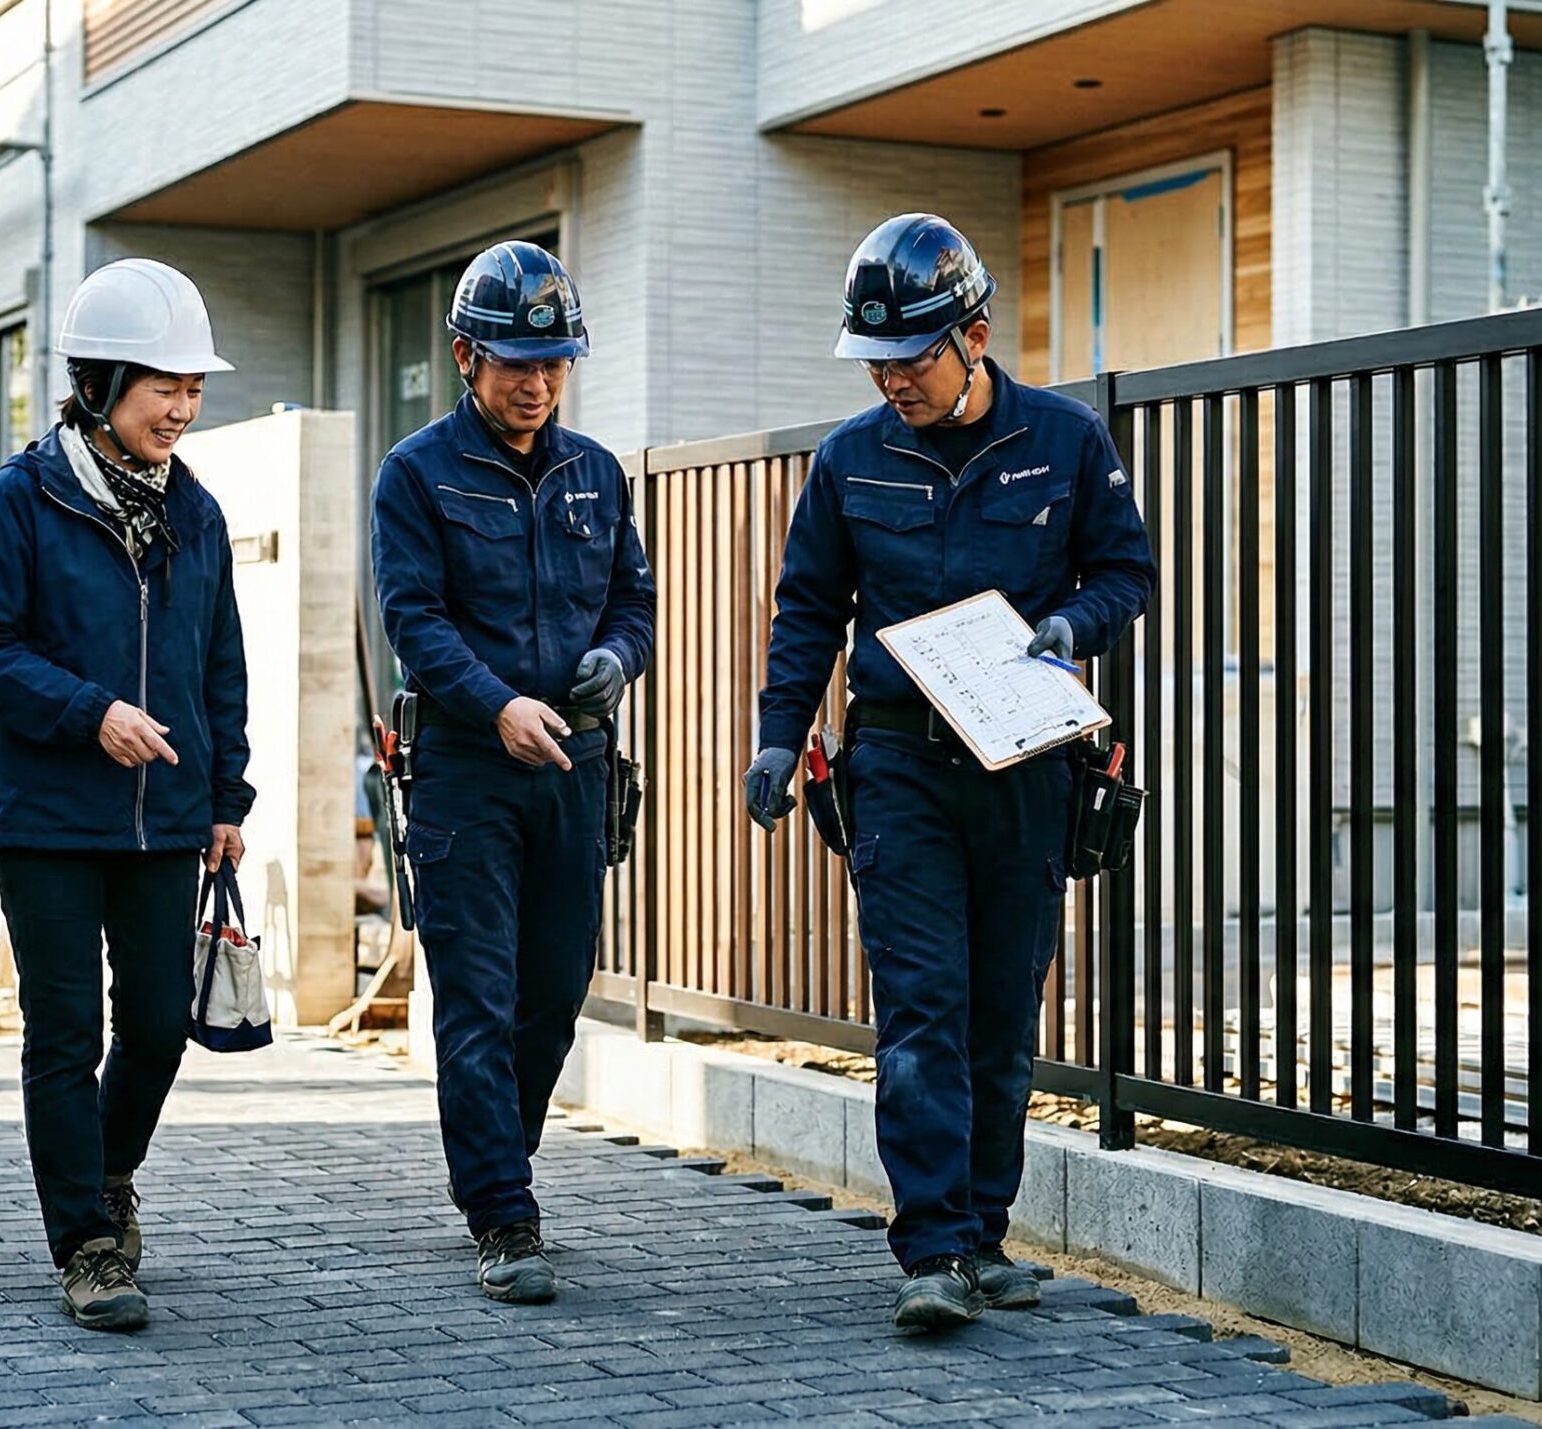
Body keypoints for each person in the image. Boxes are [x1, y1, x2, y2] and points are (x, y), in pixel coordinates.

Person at [745, 214, 1154, 1331]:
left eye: (913, 356)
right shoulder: (849, 458)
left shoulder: (1066, 442)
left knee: (1000, 1010)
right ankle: (928, 1248)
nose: (893, 379)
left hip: (1025, 762)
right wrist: (780, 736)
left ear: (974, 336)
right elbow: (807, 611)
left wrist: (1072, 624)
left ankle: (982, 1234)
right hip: (898, 763)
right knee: (921, 1004)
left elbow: (1126, 573)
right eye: (876, 360)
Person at [0, 257, 254, 1334]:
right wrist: (91, 713)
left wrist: (229, 795)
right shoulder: (16, 502)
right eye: (161, 383)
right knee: (65, 1029)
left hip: (168, 816)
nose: (180, 405)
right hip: (45, 816)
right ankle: (85, 1242)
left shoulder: (198, 514)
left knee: (163, 1024)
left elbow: (221, 661)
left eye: (191, 386)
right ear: (100, 384)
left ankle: (109, 1174)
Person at [370, 240, 654, 1304]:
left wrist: (614, 659)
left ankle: (499, 1162)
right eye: (512, 363)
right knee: (478, 996)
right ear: (463, 357)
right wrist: (498, 704)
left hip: (577, 763)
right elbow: (414, 621)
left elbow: (635, 601)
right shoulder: (416, 474)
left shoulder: (595, 472)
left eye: (553, 364)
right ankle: (503, 1210)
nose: (534, 383)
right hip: (464, 772)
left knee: (554, 988)